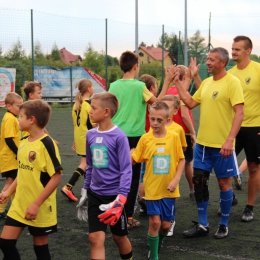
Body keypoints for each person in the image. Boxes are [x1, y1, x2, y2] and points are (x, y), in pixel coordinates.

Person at [173, 47, 244, 239]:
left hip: (223, 146)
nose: (208, 63)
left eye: (212, 60)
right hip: (203, 145)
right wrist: (177, 82)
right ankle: (203, 224)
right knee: (199, 182)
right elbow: (189, 102)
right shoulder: (205, 83)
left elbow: (240, 113)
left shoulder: (233, 83)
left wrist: (229, 140)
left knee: (223, 183)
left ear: (223, 62)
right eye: (208, 59)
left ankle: (223, 224)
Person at [109, 50, 173, 229]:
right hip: (135, 138)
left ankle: (114, 213)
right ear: (136, 66)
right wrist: (167, 81)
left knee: (116, 175)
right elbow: (157, 103)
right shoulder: (139, 87)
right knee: (133, 178)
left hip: (114, 135)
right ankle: (128, 217)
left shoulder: (113, 86)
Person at [0, 99, 63, 260]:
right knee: (6, 243)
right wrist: (8, 191)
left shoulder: (47, 144)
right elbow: (22, 172)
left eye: (21, 116)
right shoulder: (22, 142)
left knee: (40, 249)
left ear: (31, 119)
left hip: (40, 207)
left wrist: (36, 204)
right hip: (20, 204)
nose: (18, 119)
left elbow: (56, 177)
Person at [77, 92, 133, 260]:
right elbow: (90, 164)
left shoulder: (119, 137)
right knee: (95, 238)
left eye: (94, 108)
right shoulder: (90, 135)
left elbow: (126, 169)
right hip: (95, 195)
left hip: (115, 197)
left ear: (106, 111)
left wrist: (121, 199)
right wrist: (85, 189)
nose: (90, 111)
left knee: (119, 237)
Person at [131, 101, 185, 260]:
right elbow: (134, 160)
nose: (154, 123)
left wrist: (176, 179)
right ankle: (154, 256)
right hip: (152, 189)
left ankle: (159, 241)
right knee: (155, 223)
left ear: (167, 120)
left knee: (165, 226)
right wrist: (128, 154)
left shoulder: (174, 137)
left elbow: (181, 160)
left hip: (169, 190)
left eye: (159, 120)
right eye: (152, 119)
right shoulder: (145, 139)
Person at [229, 35, 260, 221]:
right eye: (233, 49)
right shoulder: (230, 74)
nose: (233, 52)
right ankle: (228, 198)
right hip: (233, 126)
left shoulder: (257, 70)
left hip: (255, 126)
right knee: (224, 166)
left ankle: (249, 207)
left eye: (237, 49)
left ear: (248, 51)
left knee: (254, 167)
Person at [61, 79, 95, 202]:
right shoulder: (88, 105)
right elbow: (93, 124)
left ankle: (88, 191)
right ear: (88, 89)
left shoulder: (77, 105)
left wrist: (76, 141)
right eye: (92, 86)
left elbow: (76, 125)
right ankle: (68, 186)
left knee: (88, 164)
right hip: (88, 138)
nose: (93, 88)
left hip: (80, 137)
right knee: (85, 164)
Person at [167, 65, 196, 200]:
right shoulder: (183, 95)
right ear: (185, 77)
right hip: (182, 133)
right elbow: (184, 115)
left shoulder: (168, 92)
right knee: (187, 162)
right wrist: (193, 132)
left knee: (170, 162)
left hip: (167, 131)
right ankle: (192, 190)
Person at [138, 74, 159, 216]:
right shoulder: (151, 103)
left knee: (141, 174)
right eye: (156, 86)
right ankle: (148, 200)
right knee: (150, 172)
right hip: (150, 138)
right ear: (152, 88)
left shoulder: (139, 99)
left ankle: (142, 202)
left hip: (140, 138)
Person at [0, 92, 23, 218]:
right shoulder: (9, 118)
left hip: (10, 157)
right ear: (8, 106)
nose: (20, 109)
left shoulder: (12, 117)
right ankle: (5, 209)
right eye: (18, 106)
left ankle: (11, 209)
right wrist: (18, 153)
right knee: (11, 183)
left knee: (13, 182)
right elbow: (9, 139)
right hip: (9, 158)